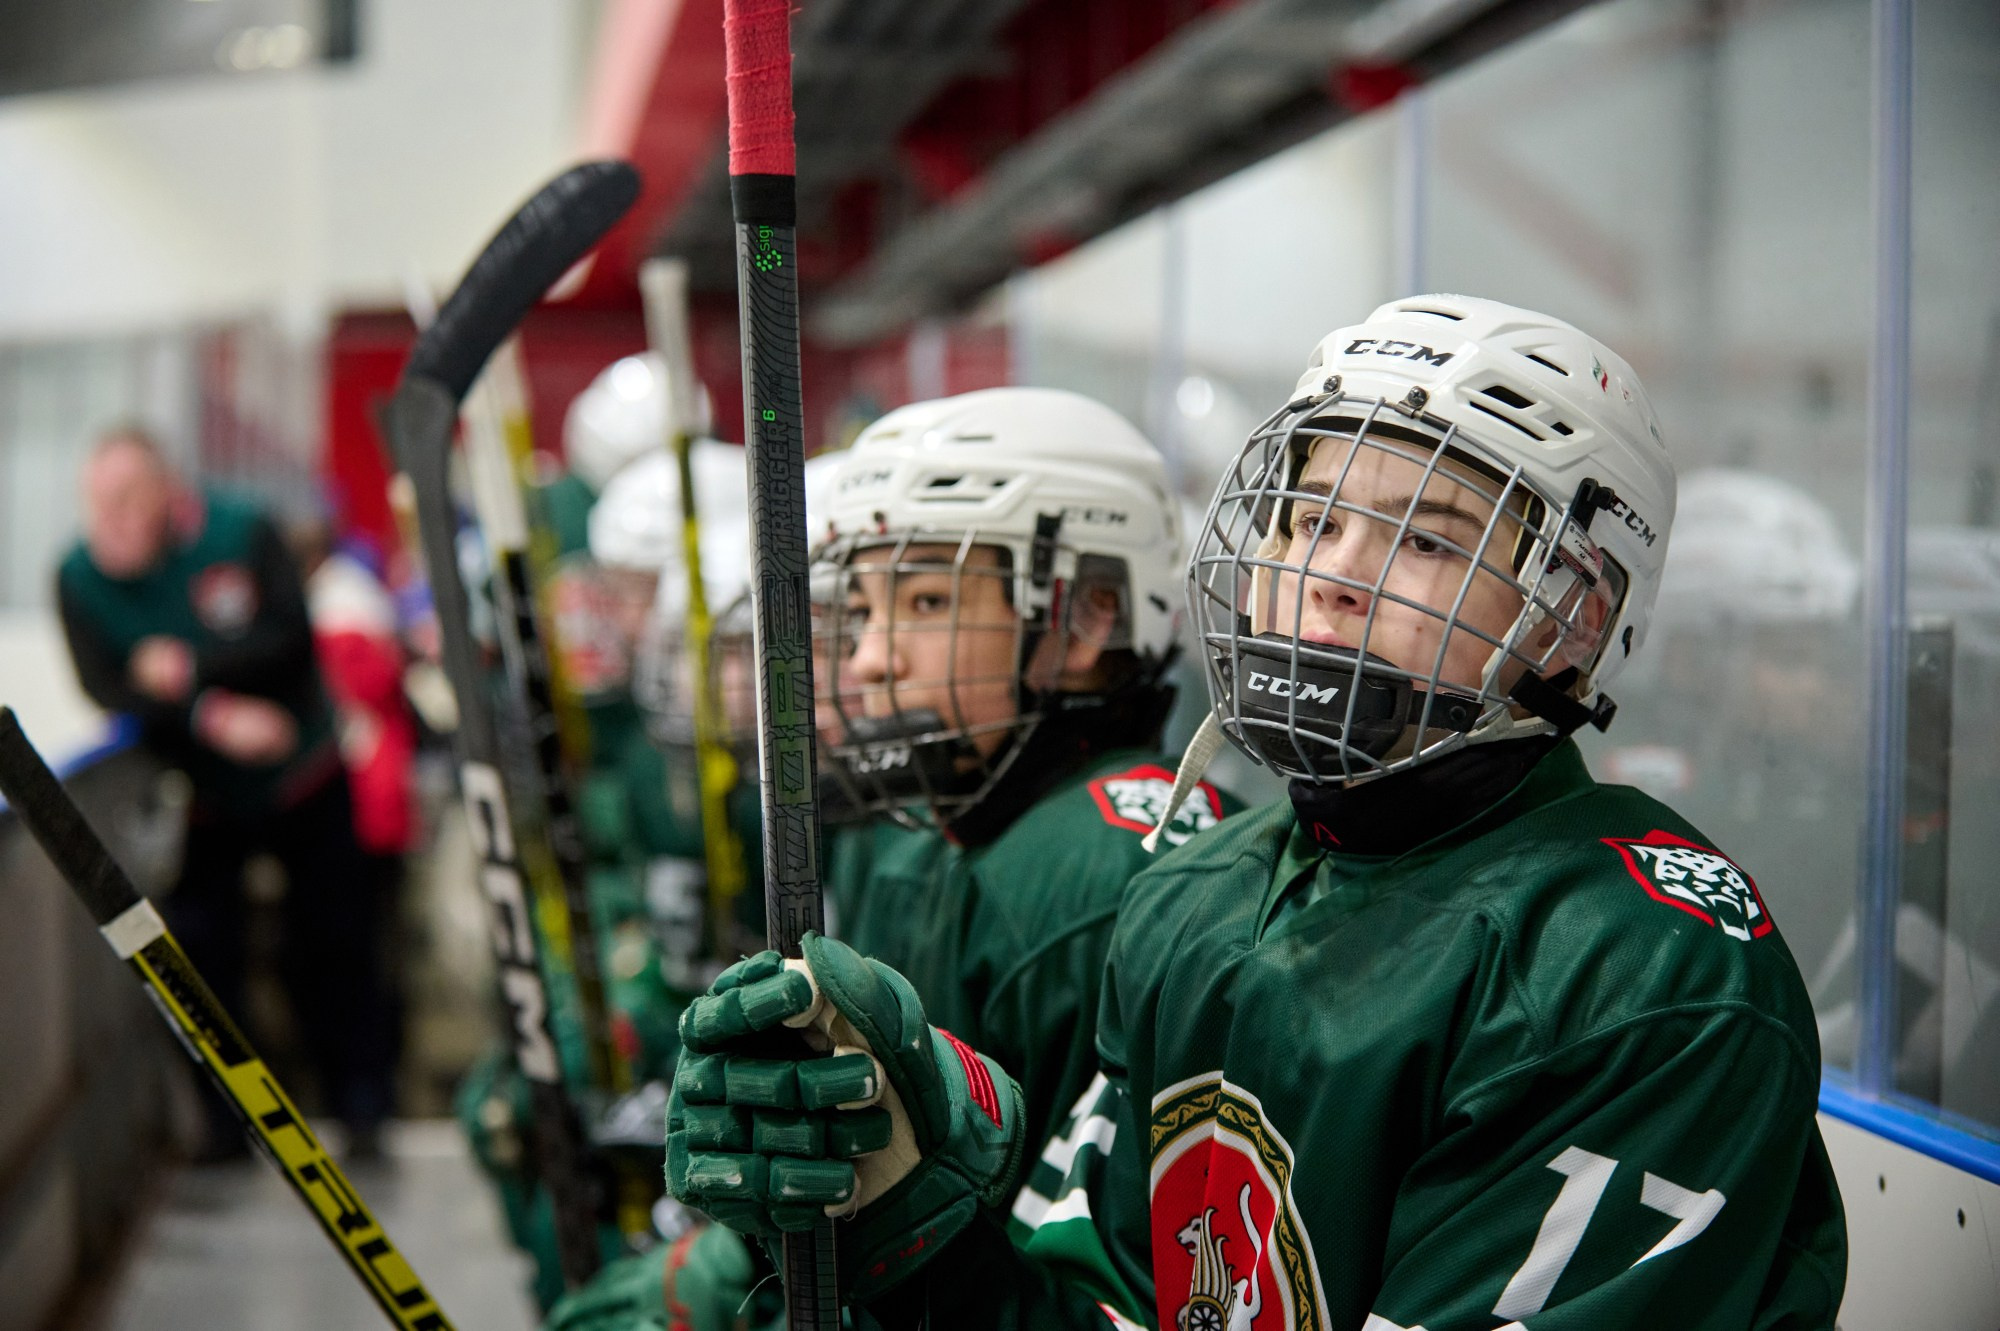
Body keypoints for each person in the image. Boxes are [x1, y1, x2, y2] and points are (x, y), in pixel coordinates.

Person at [661, 299, 1848, 1330]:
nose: (1330, 574)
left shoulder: (1640, 974)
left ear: (1572, 615)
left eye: (1424, 538)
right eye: (1310, 519)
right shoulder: (1198, 893)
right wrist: (906, 1228)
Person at [546, 389, 1243, 1331]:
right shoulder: (969, 828)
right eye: (864, 609)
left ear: (1084, 617)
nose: (869, 659)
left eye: (923, 601)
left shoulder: (1095, 871)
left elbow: (1054, 1271)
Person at [57, 427, 397, 1159]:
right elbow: (109, 688)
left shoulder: (242, 533)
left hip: (304, 772)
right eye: (98, 504)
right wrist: (209, 715)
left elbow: (288, 641)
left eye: (127, 500)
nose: (111, 522)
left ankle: (363, 1109)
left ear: (169, 494)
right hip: (209, 790)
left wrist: (191, 669)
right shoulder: (80, 577)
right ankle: (227, 1128)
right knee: (203, 956)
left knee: (335, 943)